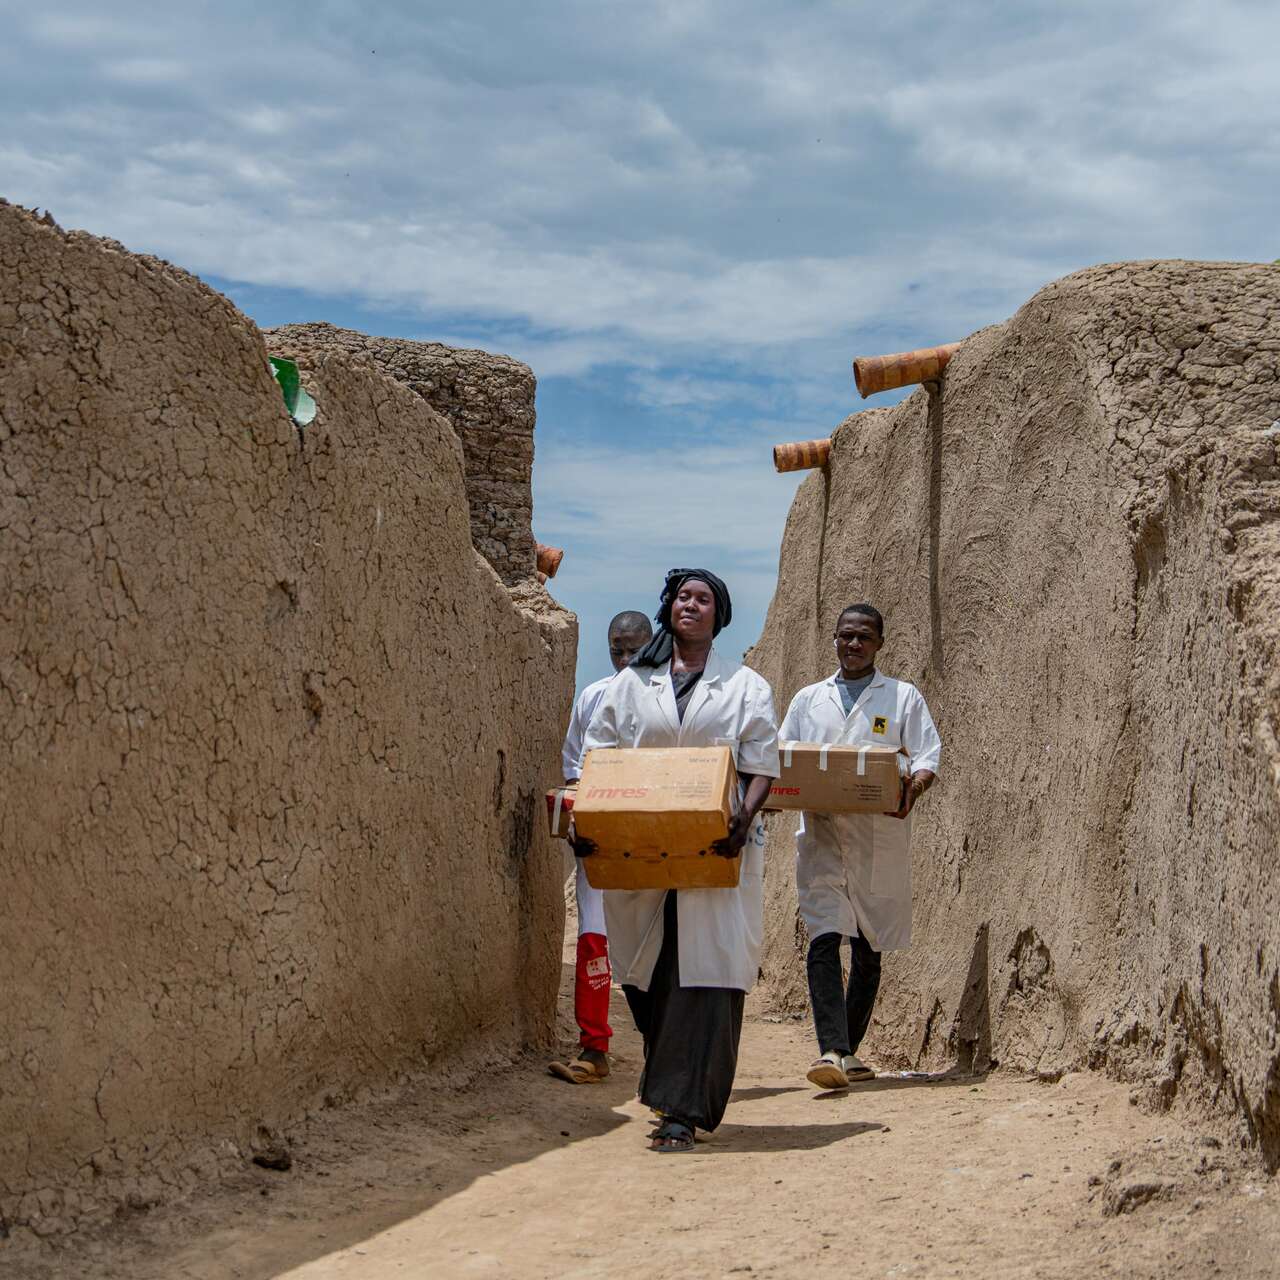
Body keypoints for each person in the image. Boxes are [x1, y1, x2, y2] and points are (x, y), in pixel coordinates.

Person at [578, 569, 779, 1152]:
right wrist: (591, 821)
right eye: (683, 596)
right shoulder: (630, 685)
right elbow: (598, 755)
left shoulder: (745, 686)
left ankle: (681, 1112)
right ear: (669, 607)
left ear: (720, 615)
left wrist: (743, 819)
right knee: (644, 977)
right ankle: (667, 1081)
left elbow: (762, 763)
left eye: (703, 599)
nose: (691, 605)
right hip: (640, 847)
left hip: (716, 850)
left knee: (703, 977)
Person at [778, 603, 941, 1090]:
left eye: (864, 637)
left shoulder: (902, 697)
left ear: (879, 644)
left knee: (869, 949)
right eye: (846, 635)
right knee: (824, 938)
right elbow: (784, 757)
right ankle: (832, 1049)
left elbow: (927, 754)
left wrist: (915, 788)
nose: (854, 644)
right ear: (834, 638)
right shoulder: (809, 700)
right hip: (822, 837)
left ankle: (846, 1050)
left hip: (877, 838)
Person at [548, 610, 654, 1085]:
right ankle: (594, 1047)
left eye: (635, 650)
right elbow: (574, 766)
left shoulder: (670, 699)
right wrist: (580, 819)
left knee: (653, 946)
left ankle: (662, 1050)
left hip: (654, 841)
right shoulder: (593, 697)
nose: (626, 659)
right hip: (600, 840)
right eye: (617, 650)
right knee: (594, 937)